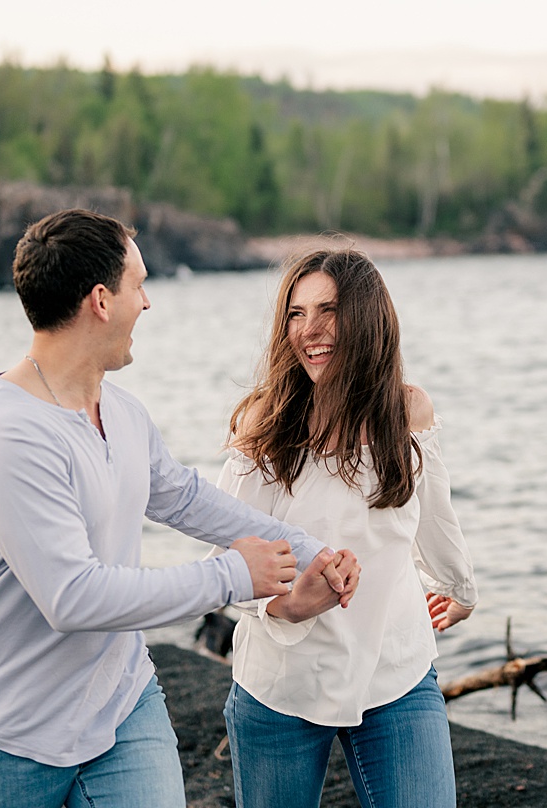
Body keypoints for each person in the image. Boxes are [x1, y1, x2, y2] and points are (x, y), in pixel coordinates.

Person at [0, 210, 360, 808]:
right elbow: (73, 598)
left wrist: (308, 549)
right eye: (140, 285)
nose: (148, 303)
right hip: (5, 739)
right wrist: (232, 576)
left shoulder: (123, 413)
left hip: (121, 712)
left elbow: (184, 498)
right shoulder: (4, 430)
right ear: (101, 300)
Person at [215, 248, 477, 808]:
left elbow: (433, 517)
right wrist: (284, 606)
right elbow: (228, 553)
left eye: (328, 310)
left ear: (367, 318)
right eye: (295, 313)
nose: (309, 331)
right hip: (282, 682)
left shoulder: (409, 412)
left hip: (396, 671)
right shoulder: (265, 423)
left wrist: (460, 590)